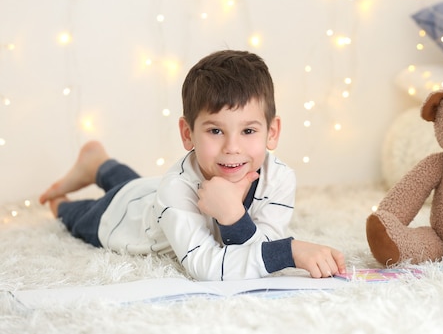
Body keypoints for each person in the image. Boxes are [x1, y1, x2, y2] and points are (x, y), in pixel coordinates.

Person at [39, 50, 345, 281]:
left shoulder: (279, 177)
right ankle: (64, 196)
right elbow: (207, 267)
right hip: (122, 216)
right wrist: (286, 249)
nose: (232, 147)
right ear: (188, 134)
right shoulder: (175, 190)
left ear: (272, 132)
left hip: (152, 194)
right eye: (215, 131)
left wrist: (233, 217)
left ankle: (100, 164)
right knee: (79, 216)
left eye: (248, 131)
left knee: (140, 187)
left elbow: (259, 245)